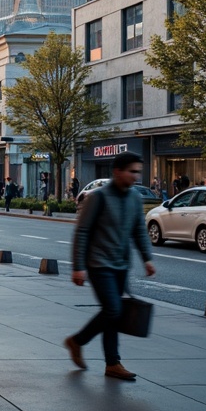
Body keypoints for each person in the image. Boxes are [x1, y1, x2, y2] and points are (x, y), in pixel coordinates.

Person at [65, 151, 156, 381]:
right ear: (117, 171)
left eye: (138, 172)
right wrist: (78, 266)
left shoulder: (135, 198)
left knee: (112, 314)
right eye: (132, 171)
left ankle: (112, 364)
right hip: (98, 264)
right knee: (113, 309)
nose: (136, 176)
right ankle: (77, 341)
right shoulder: (99, 197)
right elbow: (82, 232)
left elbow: (138, 230)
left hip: (120, 265)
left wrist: (147, 258)